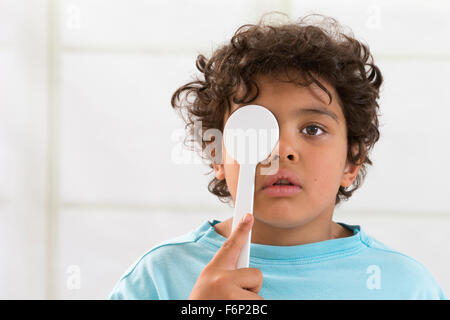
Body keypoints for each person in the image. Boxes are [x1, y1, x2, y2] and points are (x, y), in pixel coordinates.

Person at [109, 13, 447, 300]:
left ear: (351, 160)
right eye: (254, 129)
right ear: (217, 156)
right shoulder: (159, 278)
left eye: (313, 129)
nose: (280, 150)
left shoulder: (405, 286)